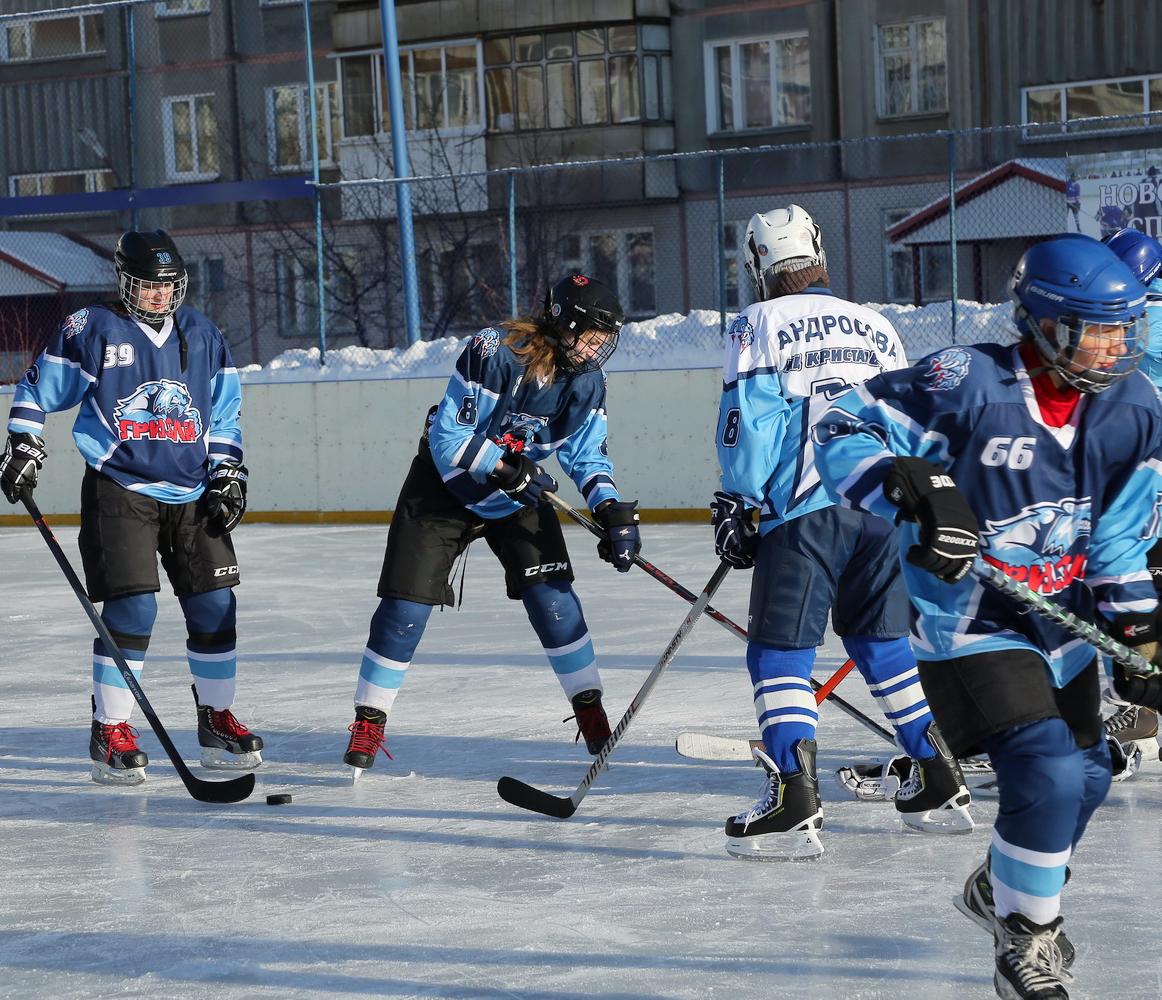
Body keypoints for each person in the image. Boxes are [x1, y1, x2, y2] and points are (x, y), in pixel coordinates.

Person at [814, 234, 1162, 999]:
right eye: (1100, 329)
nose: (1117, 345)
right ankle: (1024, 942)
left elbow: (1115, 535)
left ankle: (999, 893)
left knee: (1090, 775)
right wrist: (914, 486)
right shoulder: (967, 381)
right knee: (1047, 766)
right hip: (965, 624)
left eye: (1124, 328)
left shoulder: (1134, 407)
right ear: (1045, 325)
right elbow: (842, 425)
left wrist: (1141, 633)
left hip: (1060, 628)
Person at [709, 204, 971, 862]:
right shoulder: (877, 325)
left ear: (756, 265)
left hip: (805, 510)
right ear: (819, 251)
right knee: (883, 642)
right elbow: (909, 413)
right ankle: (939, 772)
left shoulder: (757, 322)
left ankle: (793, 794)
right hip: (884, 507)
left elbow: (749, 419)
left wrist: (740, 500)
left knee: (777, 654)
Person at [341, 274, 641, 778]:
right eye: (590, 336)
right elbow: (448, 437)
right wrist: (503, 465)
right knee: (403, 609)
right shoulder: (493, 351)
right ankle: (369, 720)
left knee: (554, 600)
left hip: (516, 496)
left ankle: (589, 708)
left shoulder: (588, 381)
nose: (596, 350)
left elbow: (587, 456)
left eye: (603, 341)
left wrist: (609, 509)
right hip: (446, 487)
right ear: (564, 323)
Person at [0, 230, 262, 786]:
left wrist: (228, 474)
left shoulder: (203, 333)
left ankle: (216, 720)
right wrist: (24, 442)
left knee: (216, 607)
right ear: (125, 282)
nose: (158, 296)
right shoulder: (93, 329)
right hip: (121, 488)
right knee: (133, 610)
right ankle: (110, 729)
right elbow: (34, 390)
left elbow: (224, 414)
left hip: (192, 491)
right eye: (147, 286)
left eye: (166, 286)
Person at [1100, 227, 1162, 777]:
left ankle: (1137, 709)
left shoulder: (1144, 325)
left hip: (1146, 483)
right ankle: (1140, 713)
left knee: (1125, 593)